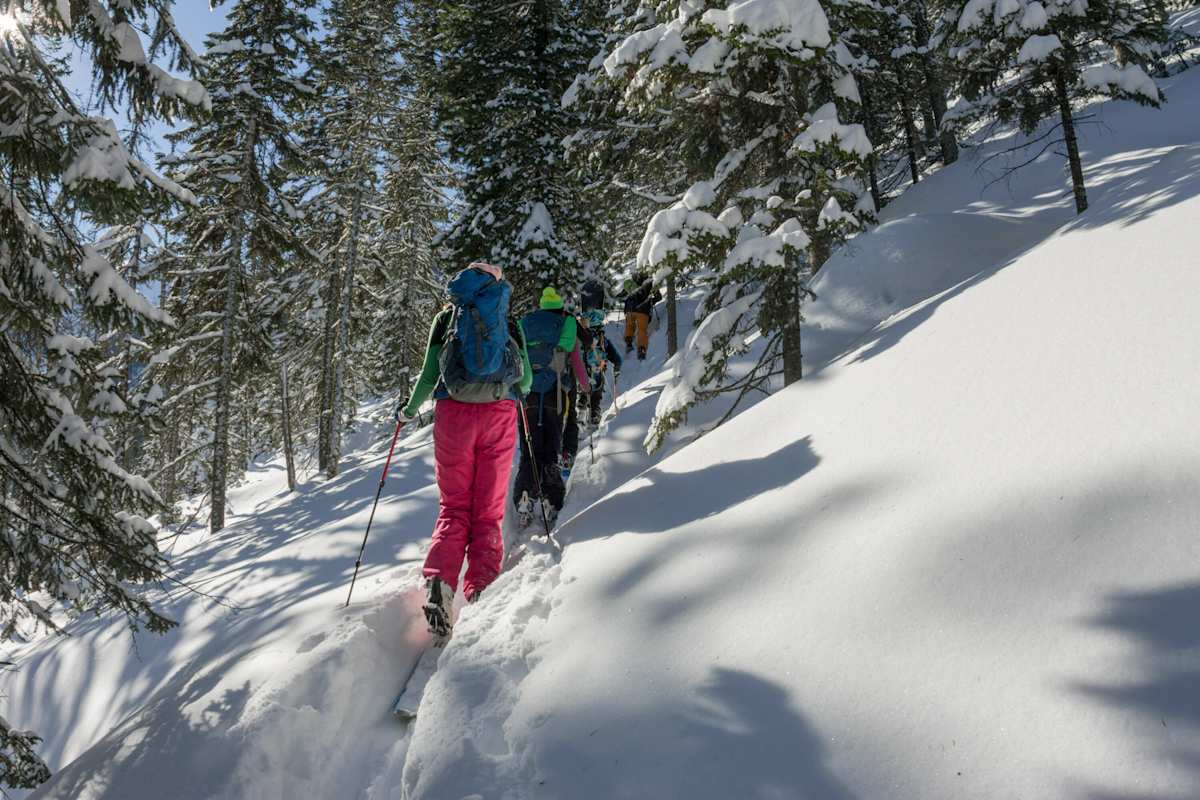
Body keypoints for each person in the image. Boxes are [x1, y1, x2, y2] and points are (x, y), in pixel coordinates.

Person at [395, 262, 532, 638]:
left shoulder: (446, 318)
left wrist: (408, 411)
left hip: (453, 414)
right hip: (498, 415)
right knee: (487, 513)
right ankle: (481, 592)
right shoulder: (508, 318)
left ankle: (440, 581)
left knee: (454, 507)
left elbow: (427, 375)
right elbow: (528, 379)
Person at [514, 287, 589, 529]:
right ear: (558, 307)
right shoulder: (567, 323)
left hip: (527, 397)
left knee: (529, 450)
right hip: (556, 396)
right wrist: (586, 387)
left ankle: (524, 495)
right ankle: (550, 499)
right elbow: (574, 358)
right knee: (551, 449)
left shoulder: (525, 323)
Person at [580, 308, 622, 426]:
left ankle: (581, 406)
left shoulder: (581, 337)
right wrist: (617, 368)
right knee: (597, 391)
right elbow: (617, 358)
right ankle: (594, 413)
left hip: (582, 370)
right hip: (599, 369)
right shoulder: (603, 340)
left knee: (583, 387)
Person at [621, 270, 661, 361]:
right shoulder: (651, 282)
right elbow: (659, 297)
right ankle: (641, 350)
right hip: (643, 309)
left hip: (629, 309)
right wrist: (651, 301)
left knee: (630, 326)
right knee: (642, 330)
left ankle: (628, 343)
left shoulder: (630, 282)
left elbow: (623, 294)